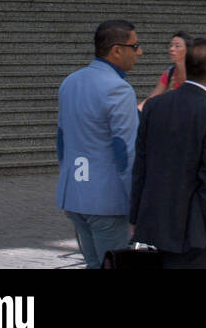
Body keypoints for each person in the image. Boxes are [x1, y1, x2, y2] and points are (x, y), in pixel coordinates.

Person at [130, 37, 206, 269]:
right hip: (193, 229)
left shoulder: (155, 106)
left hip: (155, 220)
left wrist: (135, 215)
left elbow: (141, 165)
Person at [56, 20, 142, 269]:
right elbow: (126, 151)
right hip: (108, 199)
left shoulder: (69, 82)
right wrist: (136, 205)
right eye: (135, 46)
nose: (139, 52)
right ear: (117, 50)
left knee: (93, 264)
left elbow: (62, 140)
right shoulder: (119, 89)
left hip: (75, 194)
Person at [138, 31, 190, 110]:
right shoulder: (170, 73)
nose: (172, 49)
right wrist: (136, 111)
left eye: (177, 46)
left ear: (188, 50)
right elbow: (153, 97)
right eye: (171, 46)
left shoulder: (196, 73)